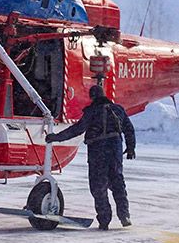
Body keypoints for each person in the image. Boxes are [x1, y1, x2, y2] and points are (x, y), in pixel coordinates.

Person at [46, 84, 136, 230]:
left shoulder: (92, 112)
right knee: (117, 182)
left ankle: (104, 220)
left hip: (98, 152)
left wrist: (56, 137)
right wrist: (131, 148)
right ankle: (124, 215)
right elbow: (129, 129)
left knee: (98, 186)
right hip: (115, 151)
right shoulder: (118, 109)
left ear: (92, 97)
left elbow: (78, 129)